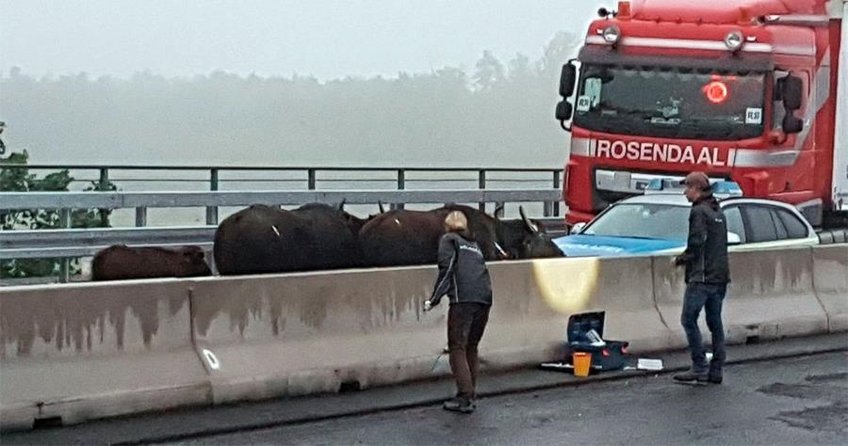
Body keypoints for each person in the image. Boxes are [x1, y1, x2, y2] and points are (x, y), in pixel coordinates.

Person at [424, 210, 493, 413]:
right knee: (472, 345)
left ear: (447, 226)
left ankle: (464, 396)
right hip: (485, 299)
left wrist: (434, 299)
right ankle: (471, 392)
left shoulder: (449, 240)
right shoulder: (474, 245)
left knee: (457, 346)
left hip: (463, 300)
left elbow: (447, 270)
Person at [673, 171, 730, 384]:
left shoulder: (699, 212)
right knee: (715, 322)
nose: (685, 192)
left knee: (688, 319)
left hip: (702, 277)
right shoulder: (718, 212)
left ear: (696, 189)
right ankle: (716, 369)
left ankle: (699, 366)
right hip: (720, 277)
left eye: (687, 188)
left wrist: (683, 259)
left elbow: (697, 241)